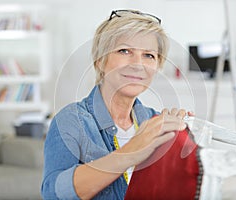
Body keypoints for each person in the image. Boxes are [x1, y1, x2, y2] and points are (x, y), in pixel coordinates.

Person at [41, 9, 192, 200]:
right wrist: (132, 151)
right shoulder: (71, 121)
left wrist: (182, 147)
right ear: (100, 61)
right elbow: (53, 194)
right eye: (124, 51)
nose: (138, 64)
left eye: (149, 55)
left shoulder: (154, 121)